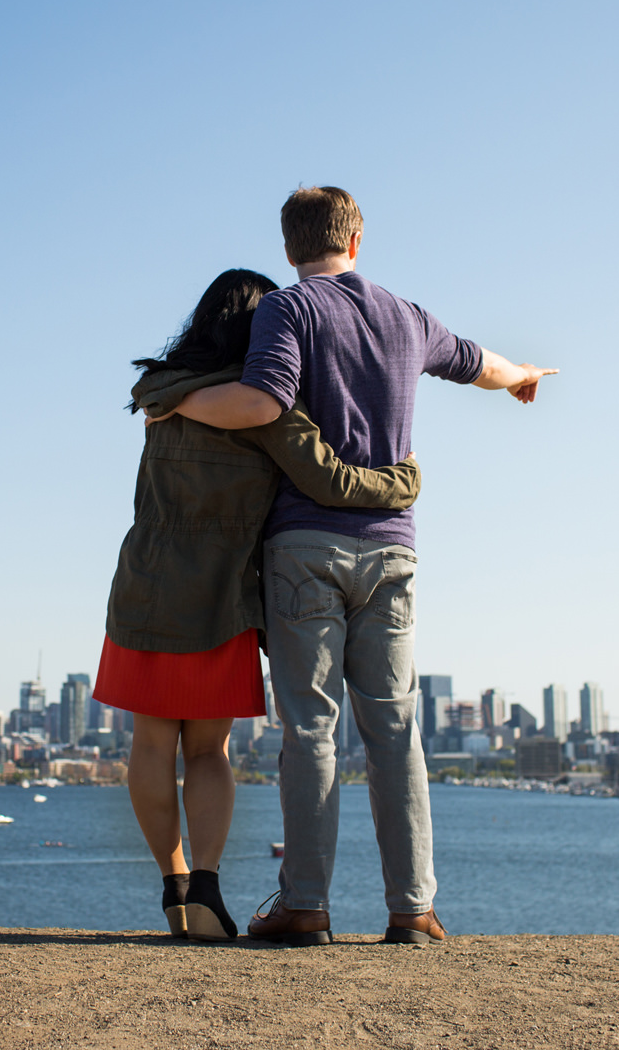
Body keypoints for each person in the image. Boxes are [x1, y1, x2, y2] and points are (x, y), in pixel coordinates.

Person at [152, 188, 555, 946]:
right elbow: (483, 365)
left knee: (311, 728)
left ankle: (305, 906)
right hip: (394, 546)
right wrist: (525, 373)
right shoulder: (409, 316)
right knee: (396, 728)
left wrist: (181, 404)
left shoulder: (290, 310)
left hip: (307, 544)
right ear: (358, 239)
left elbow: (262, 403)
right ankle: (414, 910)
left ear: (288, 248)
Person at [95, 267, 425, 942]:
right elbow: (332, 480)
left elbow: (148, 391)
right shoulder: (266, 408)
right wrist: (403, 480)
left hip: (146, 582)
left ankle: (176, 883)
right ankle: (210, 889)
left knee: (151, 743)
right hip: (222, 595)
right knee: (209, 751)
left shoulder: (161, 392)